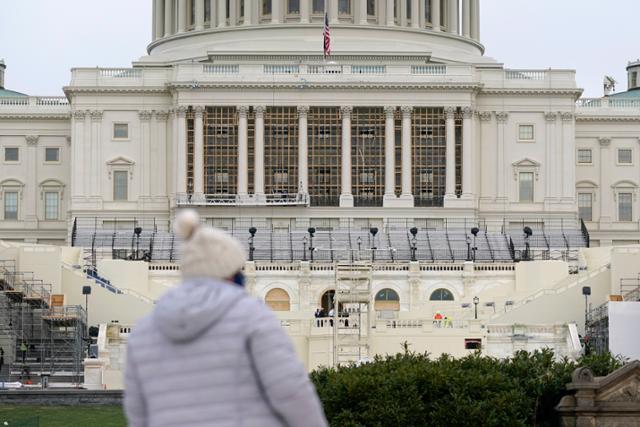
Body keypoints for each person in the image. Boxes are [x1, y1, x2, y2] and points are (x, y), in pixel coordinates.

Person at [124, 210, 328, 427]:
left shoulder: (144, 332)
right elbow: (291, 391)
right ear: (230, 272)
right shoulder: (252, 316)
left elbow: (138, 414)